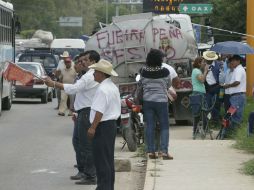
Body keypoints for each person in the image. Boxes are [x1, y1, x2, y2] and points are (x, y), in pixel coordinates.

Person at [44, 50, 100, 185]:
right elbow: (80, 93)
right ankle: (84, 171)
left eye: (85, 60)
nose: (82, 62)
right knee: (79, 142)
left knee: (85, 145)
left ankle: (90, 175)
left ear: (93, 61)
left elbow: (74, 89)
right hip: (82, 111)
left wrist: (54, 84)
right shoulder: (87, 75)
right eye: (81, 60)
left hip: (87, 112)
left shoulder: (90, 75)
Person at [87, 59, 121, 190]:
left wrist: (92, 128)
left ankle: (103, 187)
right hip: (110, 126)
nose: (94, 74)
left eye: (95, 71)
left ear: (101, 73)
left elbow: (99, 111)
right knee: (107, 159)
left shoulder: (102, 89)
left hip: (103, 126)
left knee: (101, 161)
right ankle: (108, 186)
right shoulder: (112, 86)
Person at [139, 49, 173, 160]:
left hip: (148, 101)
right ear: (160, 59)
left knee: (150, 125)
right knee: (164, 126)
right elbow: (168, 85)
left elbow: (141, 84)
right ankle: (164, 152)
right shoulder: (165, 71)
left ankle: (151, 152)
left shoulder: (143, 71)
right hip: (161, 102)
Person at [221, 54, 246, 128]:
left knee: (235, 115)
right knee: (232, 115)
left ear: (238, 61)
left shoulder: (238, 69)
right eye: (231, 61)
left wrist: (227, 85)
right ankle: (233, 131)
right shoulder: (237, 69)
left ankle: (235, 132)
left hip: (237, 96)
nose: (231, 63)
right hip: (235, 96)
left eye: (233, 61)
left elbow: (237, 82)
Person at [190, 57, 208, 138]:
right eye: (203, 62)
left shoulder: (197, 71)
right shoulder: (196, 70)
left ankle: (198, 130)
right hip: (198, 93)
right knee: (201, 112)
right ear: (199, 63)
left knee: (200, 112)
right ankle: (201, 130)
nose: (205, 63)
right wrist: (205, 71)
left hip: (199, 93)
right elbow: (202, 80)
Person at [203, 50, 222, 123]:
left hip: (216, 86)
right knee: (208, 105)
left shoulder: (218, 64)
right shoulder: (204, 65)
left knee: (216, 104)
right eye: (207, 58)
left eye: (210, 59)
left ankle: (216, 119)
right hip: (207, 88)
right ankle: (209, 120)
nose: (208, 60)